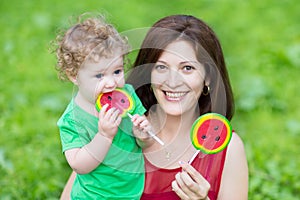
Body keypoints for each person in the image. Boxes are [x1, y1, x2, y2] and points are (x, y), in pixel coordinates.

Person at [60, 14, 248, 200]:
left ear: (207, 76)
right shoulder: (115, 126)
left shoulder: (228, 148)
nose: (173, 82)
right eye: (161, 67)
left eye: (187, 68)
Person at [54, 13, 149, 199]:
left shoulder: (127, 94)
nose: (111, 82)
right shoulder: (71, 120)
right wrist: (104, 136)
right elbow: (78, 165)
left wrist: (143, 135)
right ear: (74, 75)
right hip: (94, 195)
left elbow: (143, 142)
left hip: (132, 191)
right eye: (99, 76)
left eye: (117, 71)